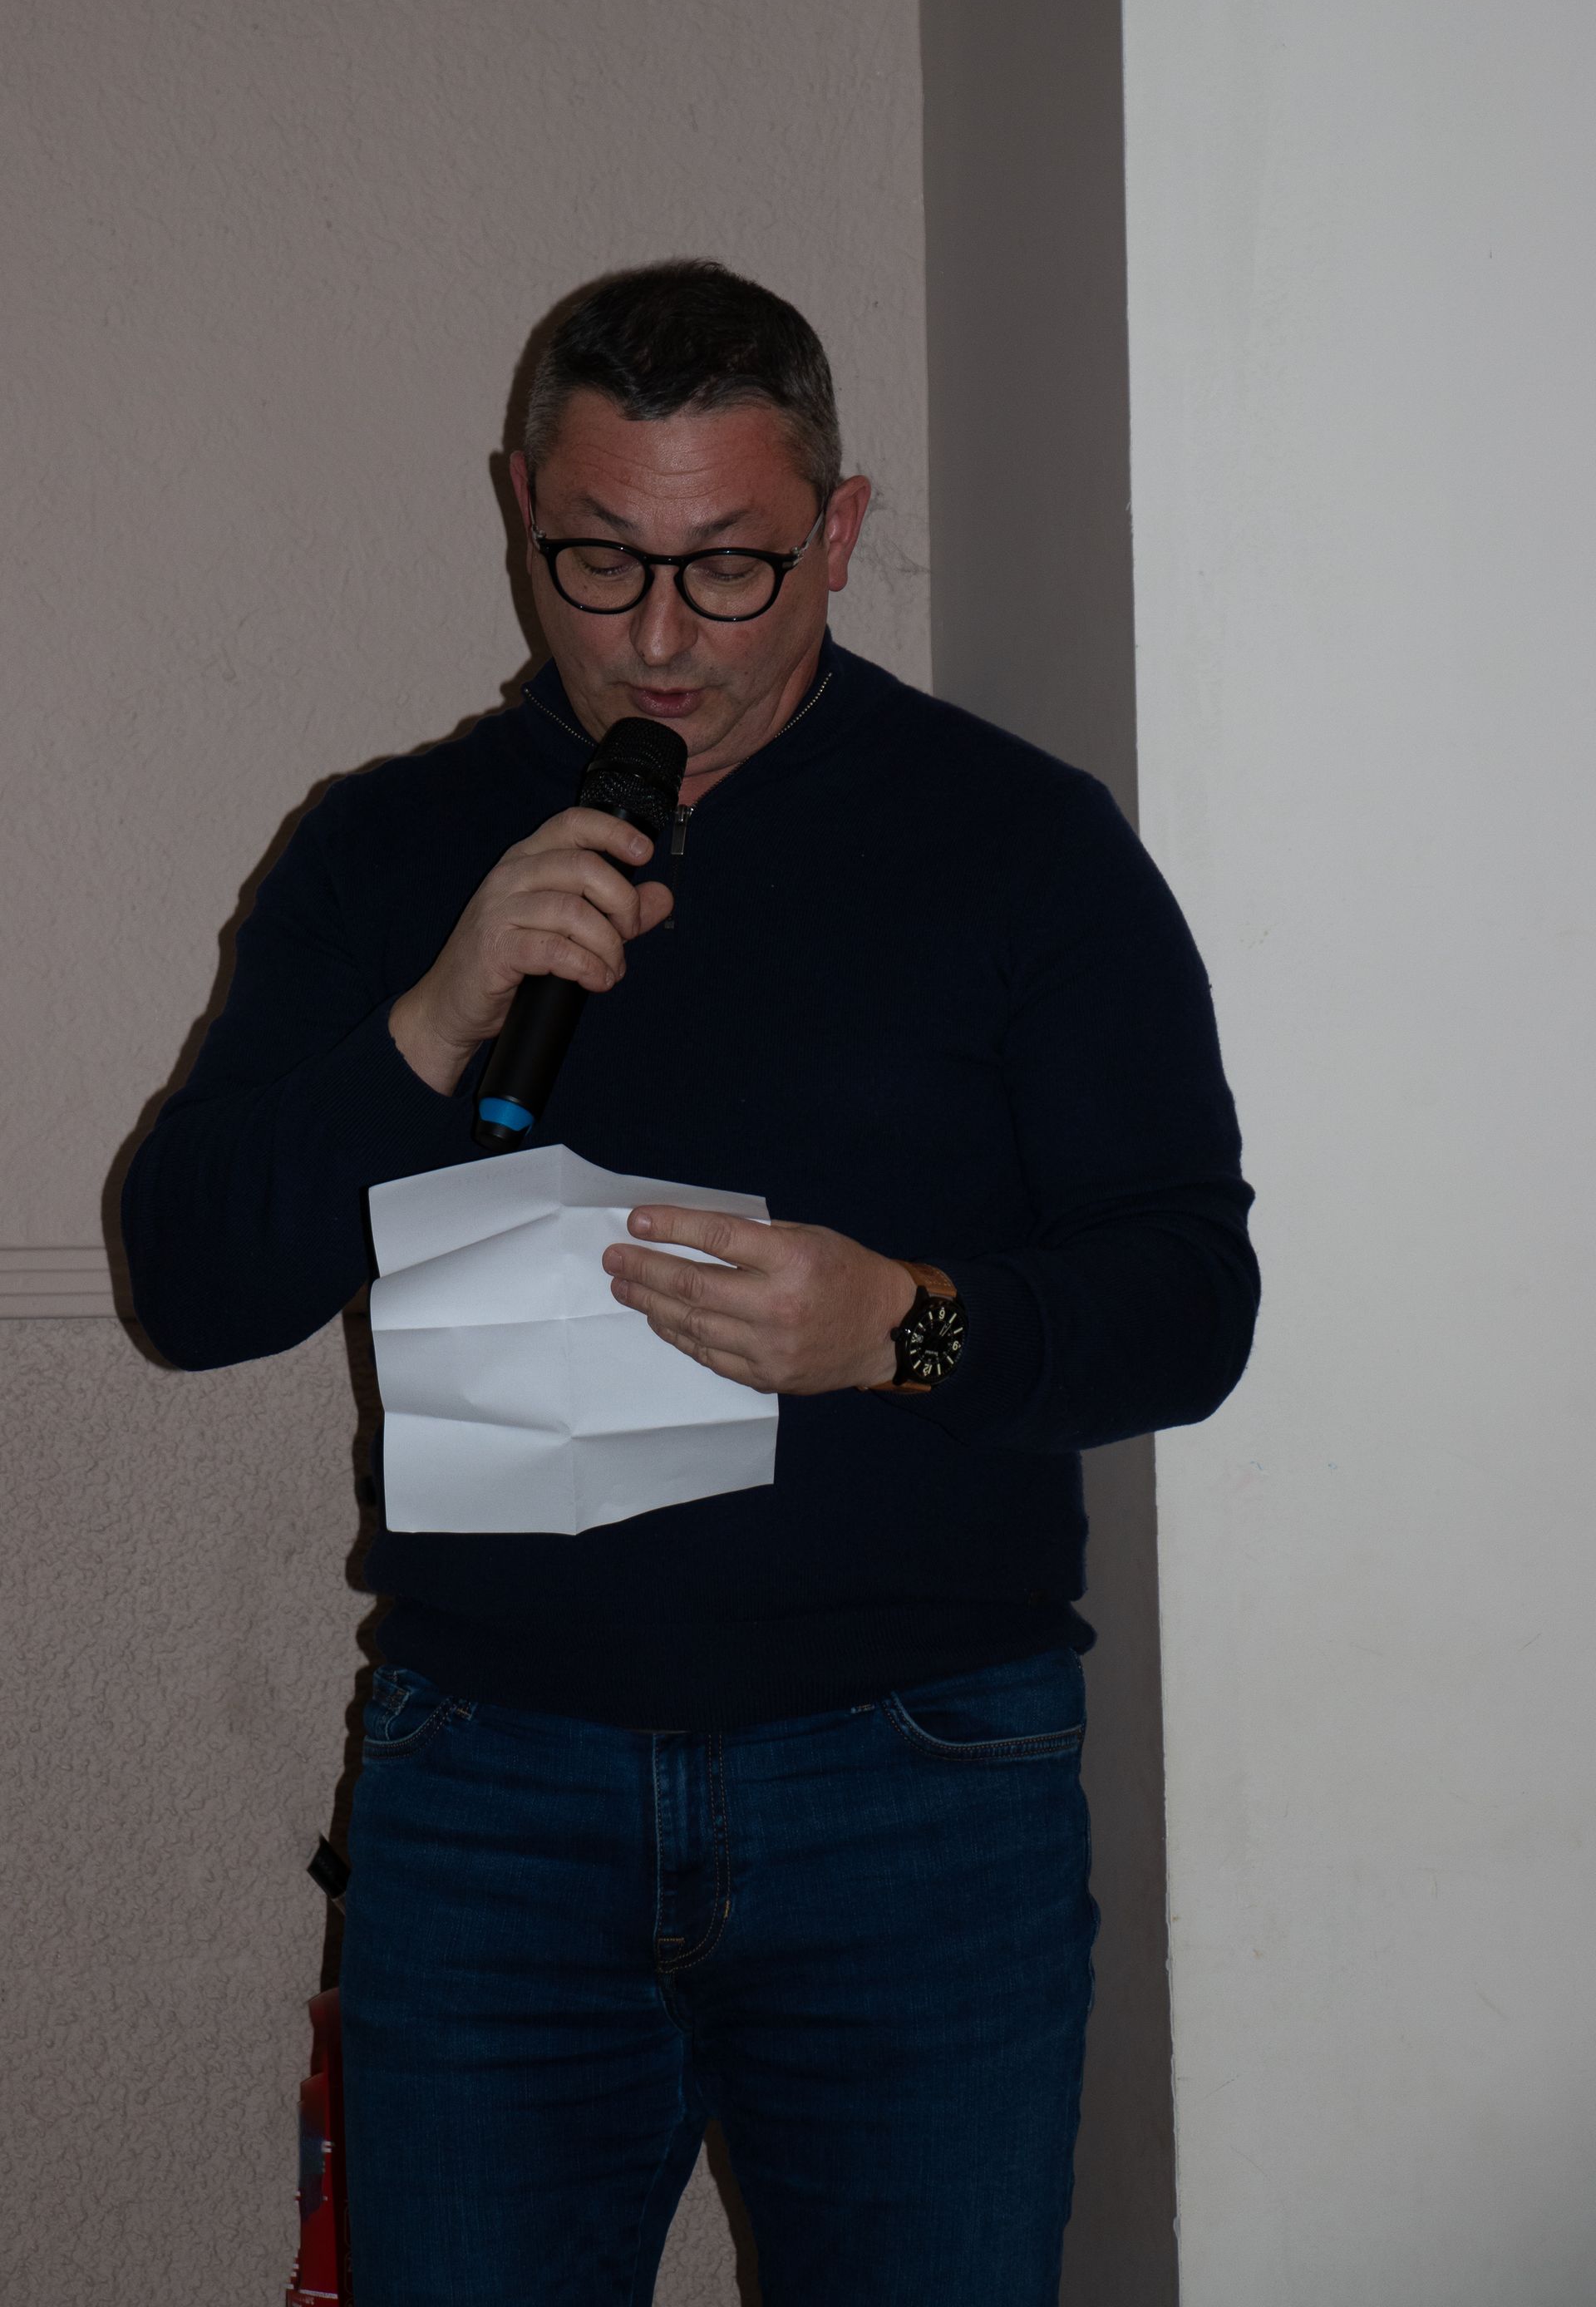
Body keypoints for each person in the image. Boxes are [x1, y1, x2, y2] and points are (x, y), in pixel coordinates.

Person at [122, 259, 1258, 2306]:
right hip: (489, 1788)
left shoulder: (1022, 846)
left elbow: (1190, 1301)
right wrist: (430, 1020)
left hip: (921, 1787)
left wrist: (897, 1325)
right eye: (600, 561)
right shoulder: (385, 848)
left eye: (731, 568)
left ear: (840, 528)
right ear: (517, 511)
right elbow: (190, 1288)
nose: (657, 641)